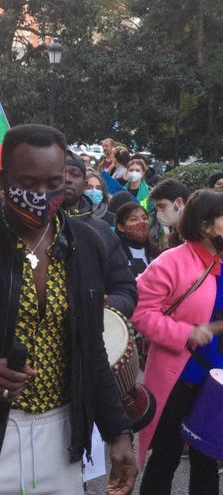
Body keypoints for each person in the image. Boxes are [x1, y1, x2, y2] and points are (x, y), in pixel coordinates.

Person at [0, 124, 137, 495]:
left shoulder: (88, 244)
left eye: (53, 183)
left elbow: (91, 348)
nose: (42, 196)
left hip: (62, 436)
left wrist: (117, 431)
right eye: (28, 184)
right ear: (2, 179)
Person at [131, 189, 223, 494]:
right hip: (182, 377)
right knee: (167, 456)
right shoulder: (171, 262)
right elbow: (141, 313)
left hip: (218, 381)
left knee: (208, 458)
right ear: (206, 225)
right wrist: (187, 332)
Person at [62, 150, 138, 315]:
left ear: (83, 185)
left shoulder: (102, 231)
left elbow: (126, 291)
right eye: (60, 173)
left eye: (74, 174)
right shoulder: (33, 228)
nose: (67, 179)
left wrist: (107, 302)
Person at [115, 202, 160, 277]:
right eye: (133, 219)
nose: (141, 222)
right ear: (121, 227)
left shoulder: (156, 253)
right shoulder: (115, 255)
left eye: (144, 218)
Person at [149, 178, 188, 249]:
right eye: (157, 209)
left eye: (162, 206)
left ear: (179, 202)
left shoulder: (198, 234)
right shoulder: (173, 236)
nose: (158, 213)